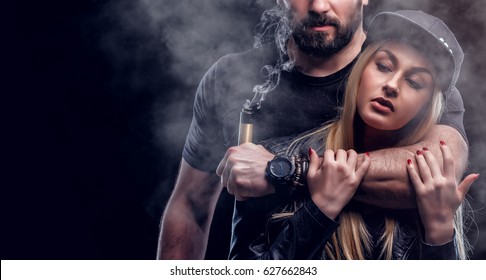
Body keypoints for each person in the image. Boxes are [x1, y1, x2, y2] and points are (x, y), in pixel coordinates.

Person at [158, 0, 468, 259]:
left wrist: (281, 170)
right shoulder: (231, 77)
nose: (319, 5)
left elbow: (438, 174)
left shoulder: (408, 68)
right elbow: (190, 206)